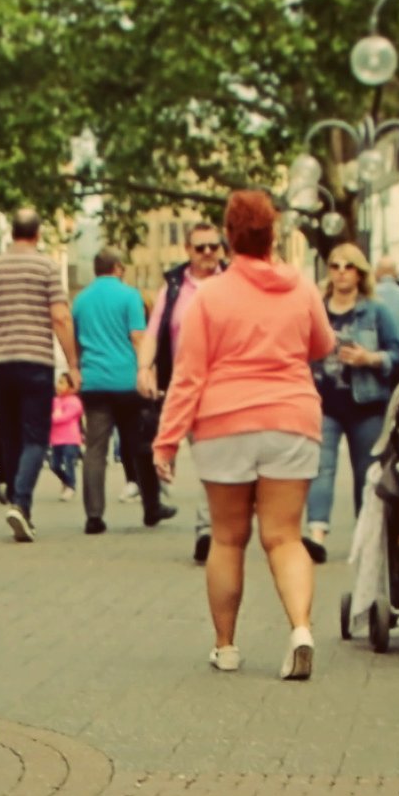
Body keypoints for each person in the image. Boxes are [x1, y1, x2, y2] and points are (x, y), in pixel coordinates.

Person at [152, 189, 336, 679]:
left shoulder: (211, 295)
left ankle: (226, 646)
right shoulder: (301, 286)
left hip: (224, 424)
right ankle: (299, 629)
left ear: (230, 238)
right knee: (284, 537)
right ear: (272, 234)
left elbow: (189, 375)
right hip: (292, 420)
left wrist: (166, 439)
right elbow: (323, 344)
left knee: (228, 539)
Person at [0, 209, 78, 540]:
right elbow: (61, 317)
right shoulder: (47, 267)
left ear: (12, 234)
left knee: (9, 434)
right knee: (36, 437)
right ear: (37, 235)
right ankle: (20, 504)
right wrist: (73, 364)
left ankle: (14, 493)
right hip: (36, 361)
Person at [304, 244, 399, 562]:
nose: (340, 272)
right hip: (324, 401)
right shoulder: (317, 308)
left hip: (367, 402)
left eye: (348, 266)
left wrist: (369, 358)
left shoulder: (376, 311)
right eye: (334, 266)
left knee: (366, 473)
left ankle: (366, 541)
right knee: (320, 466)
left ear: (360, 273)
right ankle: (316, 534)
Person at [72, 248, 160, 535]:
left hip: (94, 382)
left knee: (95, 450)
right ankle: (151, 506)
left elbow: (76, 340)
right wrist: (148, 372)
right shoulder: (129, 296)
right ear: (118, 268)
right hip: (126, 381)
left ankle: (94, 516)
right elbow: (138, 336)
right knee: (139, 445)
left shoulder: (80, 300)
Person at [151, 222, 223, 555]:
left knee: (210, 457)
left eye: (214, 246)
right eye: (200, 247)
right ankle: (211, 526)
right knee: (205, 457)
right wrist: (144, 368)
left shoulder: (232, 283)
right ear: (188, 252)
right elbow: (153, 332)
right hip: (184, 385)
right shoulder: (175, 287)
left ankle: (208, 529)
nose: (208, 252)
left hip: (223, 386)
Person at [47, 375, 83, 499]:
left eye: (62, 383)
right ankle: (66, 481)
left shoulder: (74, 401)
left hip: (70, 439)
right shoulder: (54, 401)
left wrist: (51, 417)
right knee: (54, 465)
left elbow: (64, 417)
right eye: (58, 382)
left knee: (69, 463)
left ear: (70, 387)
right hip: (56, 440)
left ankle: (71, 486)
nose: (58, 385)